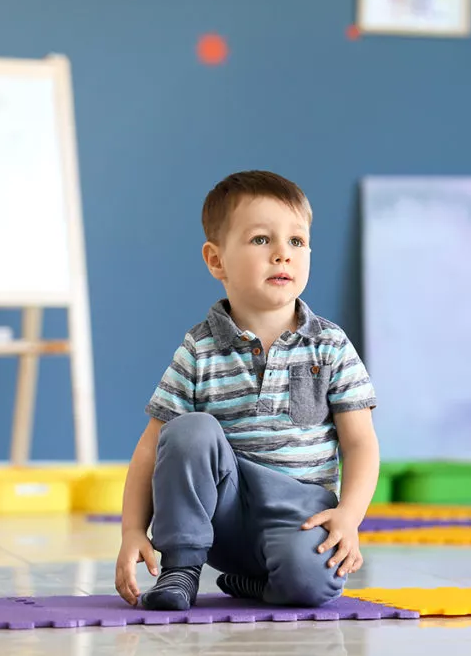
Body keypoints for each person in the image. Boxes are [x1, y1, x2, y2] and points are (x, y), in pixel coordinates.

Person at [114, 170, 380, 611]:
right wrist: (131, 532)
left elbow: (361, 443)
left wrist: (348, 517)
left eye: (296, 242)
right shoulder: (199, 349)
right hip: (223, 515)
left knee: (312, 587)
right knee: (187, 430)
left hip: (299, 514)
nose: (282, 255)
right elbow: (150, 450)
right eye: (261, 240)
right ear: (216, 260)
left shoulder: (330, 346)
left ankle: (255, 585)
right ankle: (182, 567)